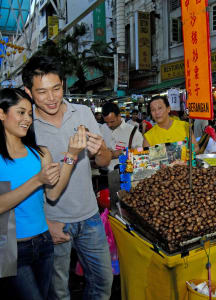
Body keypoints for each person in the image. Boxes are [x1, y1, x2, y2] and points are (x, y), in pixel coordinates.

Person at [22, 55, 113, 300]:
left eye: (56, 88)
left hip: (90, 216)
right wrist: (45, 223)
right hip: (52, 222)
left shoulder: (82, 112)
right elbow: (20, 183)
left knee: (103, 283)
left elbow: (104, 162)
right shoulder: (25, 125)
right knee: (57, 292)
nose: (51, 98)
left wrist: (101, 151)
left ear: (63, 84)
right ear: (28, 91)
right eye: (42, 92)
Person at [0, 88, 85, 299]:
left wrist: (71, 156)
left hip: (44, 242)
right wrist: (37, 179)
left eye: (29, 114)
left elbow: (53, 194)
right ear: (1, 113)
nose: (27, 119)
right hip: (10, 247)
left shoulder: (39, 153)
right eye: (20, 112)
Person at [101, 102, 143, 170]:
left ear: (119, 116)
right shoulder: (102, 128)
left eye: (112, 122)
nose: (109, 125)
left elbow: (141, 152)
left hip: (125, 173)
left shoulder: (132, 131)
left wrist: (122, 152)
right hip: (105, 173)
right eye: (106, 122)